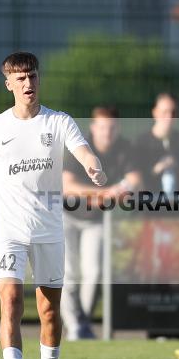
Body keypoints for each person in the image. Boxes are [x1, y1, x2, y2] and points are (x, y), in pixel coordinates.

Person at [0, 52, 106, 359]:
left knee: (49, 310)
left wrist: (93, 165)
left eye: (33, 77)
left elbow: (83, 150)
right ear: (8, 83)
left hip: (49, 229)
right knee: (10, 303)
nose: (28, 84)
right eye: (20, 79)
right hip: (8, 229)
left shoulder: (58, 122)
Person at [61, 106, 141, 341]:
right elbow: (67, 187)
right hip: (67, 218)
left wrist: (120, 190)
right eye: (102, 127)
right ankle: (75, 326)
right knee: (68, 273)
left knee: (94, 272)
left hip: (97, 222)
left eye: (112, 127)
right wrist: (104, 194)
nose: (107, 132)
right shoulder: (80, 146)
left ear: (118, 129)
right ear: (93, 128)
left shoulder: (125, 149)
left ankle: (81, 324)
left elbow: (135, 180)